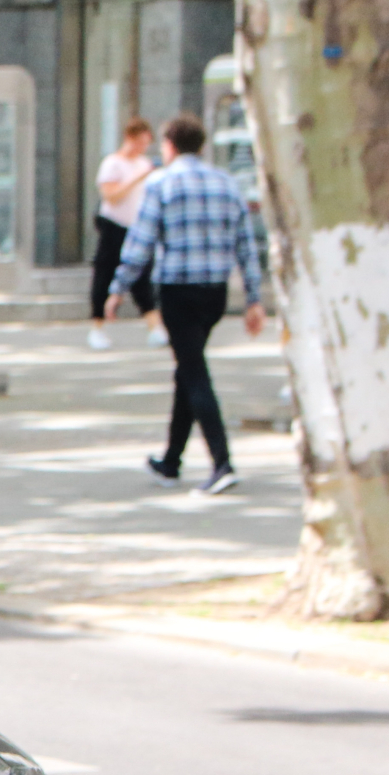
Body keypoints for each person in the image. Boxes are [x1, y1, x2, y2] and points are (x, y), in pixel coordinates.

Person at [106, 112, 265, 496]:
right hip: (214, 291)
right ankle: (171, 460)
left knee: (193, 371)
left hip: (177, 289)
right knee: (188, 366)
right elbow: (246, 244)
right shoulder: (227, 184)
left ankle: (221, 462)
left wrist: (118, 287)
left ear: (170, 146)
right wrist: (254, 298)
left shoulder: (161, 183)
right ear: (202, 145)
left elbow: (141, 242)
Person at [88, 117, 162, 351]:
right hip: (114, 226)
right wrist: (136, 178)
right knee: (105, 273)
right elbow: (112, 196)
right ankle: (97, 327)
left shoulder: (144, 163)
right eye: (140, 142)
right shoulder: (113, 164)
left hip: (137, 227)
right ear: (129, 139)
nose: (143, 148)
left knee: (142, 276)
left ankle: (154, 326)